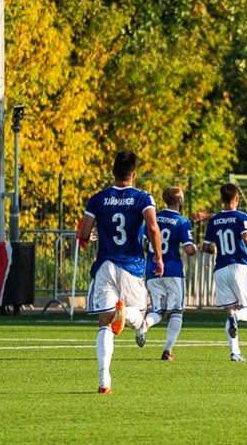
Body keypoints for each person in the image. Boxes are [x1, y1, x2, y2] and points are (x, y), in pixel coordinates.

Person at [76, 150, 162, 394]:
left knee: (104, 324)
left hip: (105, 266)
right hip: (130, 266)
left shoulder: (98, 198)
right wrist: (158, 256)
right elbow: (153, 227)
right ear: (134, 175)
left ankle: (104, 379)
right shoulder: (142, 197)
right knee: (141, 316)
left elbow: (84, 234)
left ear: (112, 172)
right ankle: (125, 314)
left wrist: (91, 236)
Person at [202, 182, 247, 362]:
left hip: (220, 270)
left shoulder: (214, 220)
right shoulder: (242, 217)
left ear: (222, 199)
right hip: (238, 267)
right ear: (237, 198)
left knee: (229, 311)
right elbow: (246, 237)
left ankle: (235, 352)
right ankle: (236, 318)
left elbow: (205, 247)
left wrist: (215, 250)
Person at [134, 186, 195, 361]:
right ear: (179, 200)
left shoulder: (152, 218)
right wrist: (194, 247)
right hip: (173, 271)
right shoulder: (182, 221)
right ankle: (167, 351)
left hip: (153, 270)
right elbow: (189, 249)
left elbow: (143, 244)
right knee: (177, 311)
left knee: (159, 311)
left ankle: (146, 323)